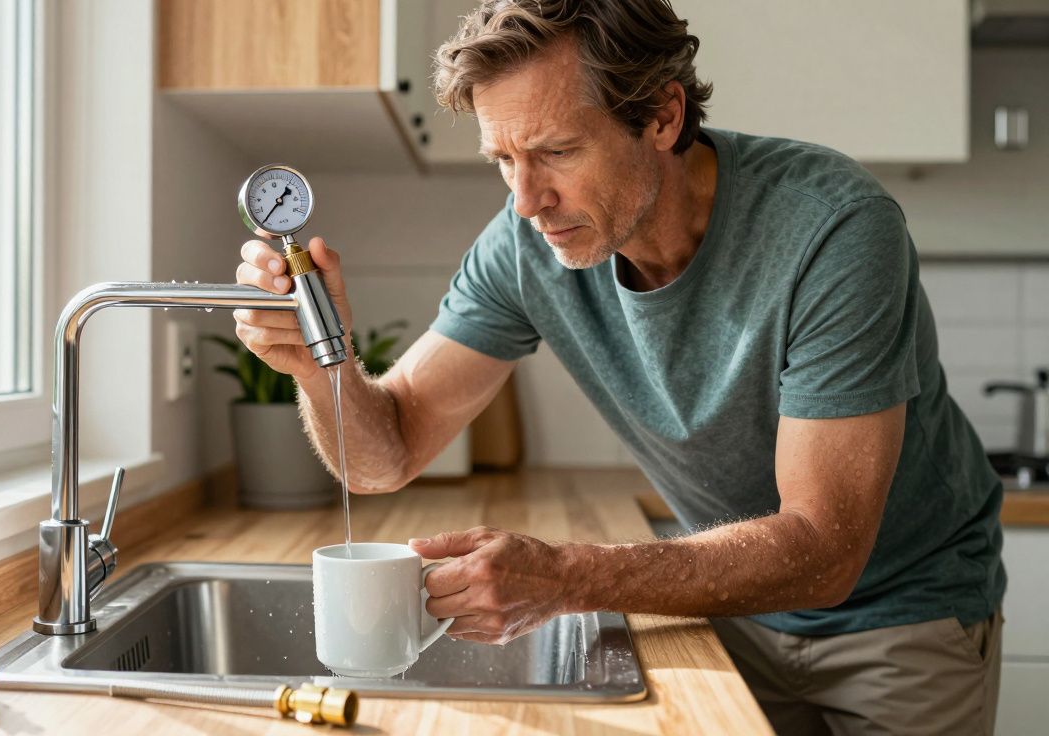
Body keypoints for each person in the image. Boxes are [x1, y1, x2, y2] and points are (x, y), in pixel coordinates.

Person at [232, 1, 1005, 732]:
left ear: (662, 116)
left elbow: (823, 550)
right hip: (728, 611)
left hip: (902, 612)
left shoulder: (831, 229)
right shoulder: (526, 244)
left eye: (557, 151)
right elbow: (387, 451)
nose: (529, 199)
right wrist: (313, 367)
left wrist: (565, 575)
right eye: (504, 159)